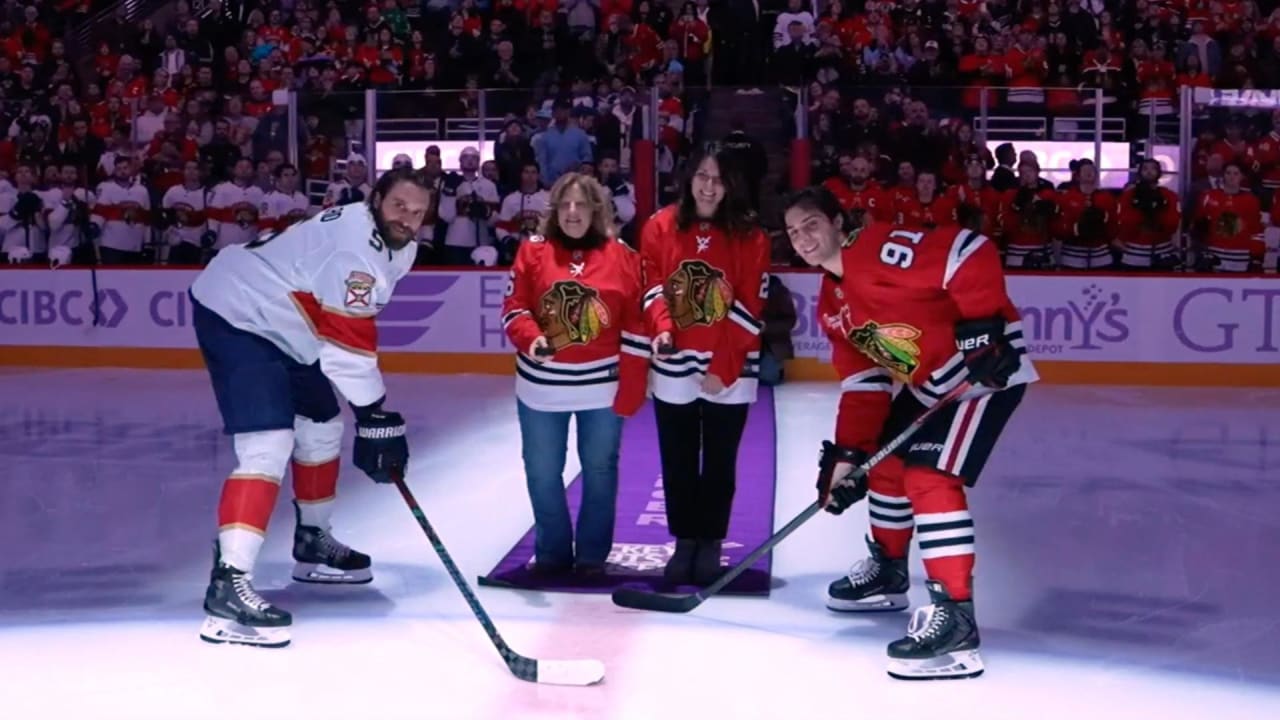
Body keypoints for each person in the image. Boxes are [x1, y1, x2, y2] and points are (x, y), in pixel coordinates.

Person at [781, 186, 1037, 680]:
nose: (803, 237)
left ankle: (956, 617)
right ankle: (890, 572)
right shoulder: (832, 303)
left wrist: (984, 330)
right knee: (884, 466)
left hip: (983, 375)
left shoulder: (877, 249)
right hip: (930, 383)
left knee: (929, 477)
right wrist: (848, 458)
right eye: (793, 232)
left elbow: (969, 251)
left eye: (811, 223)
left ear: (838, 222)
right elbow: (865, 385)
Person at [188, 167, 433, 648]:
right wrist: (376, 416)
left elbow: (346, 327)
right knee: (268, 445)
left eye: (418, 211)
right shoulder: (353, 246)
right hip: (239, 313)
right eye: (399, 205)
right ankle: (227, 586)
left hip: (291, 323)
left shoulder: (399, 246)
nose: (407, 217)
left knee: (321, 425)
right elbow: (348, 352)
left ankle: (311, 540)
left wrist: (370, 416)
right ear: (375, 198)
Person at [501, 172, 650, 576]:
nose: (572, 212)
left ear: (596, 209)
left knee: (600, 472)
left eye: (581, 204)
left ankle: (590, 557)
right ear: (554, 210)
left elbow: (637, 323)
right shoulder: (533, 252)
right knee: (543, 471)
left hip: (602, 387)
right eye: (564, 204)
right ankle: (551, 553)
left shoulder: (622, 256)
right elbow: (515, 308)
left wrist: (634, 384)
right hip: (540, 388)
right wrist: (531, 339)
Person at [641, 144, 771, 586]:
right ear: (689, 177)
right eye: (702, 175)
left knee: (719, 461)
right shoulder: (660, 225)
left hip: (727, 364)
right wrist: (660, 330)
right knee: (676, 458)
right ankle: (685, 540)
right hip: (674, 358)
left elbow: (752, 305)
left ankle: (711, 540)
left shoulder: (751, 235)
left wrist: (724, 364)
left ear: (732, 183)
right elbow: (653, 286)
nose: (709, 186)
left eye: (719, 178)